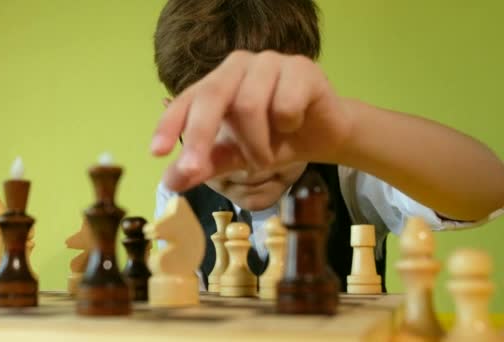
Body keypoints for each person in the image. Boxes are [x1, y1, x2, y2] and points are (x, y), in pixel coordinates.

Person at [150, 0, 504, 290]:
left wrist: (349, 133)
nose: (252, 164)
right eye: (219, 134)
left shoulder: (349, 169)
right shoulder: (178, 197)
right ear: (177, 120)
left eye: (276, 127)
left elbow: (489, 192)